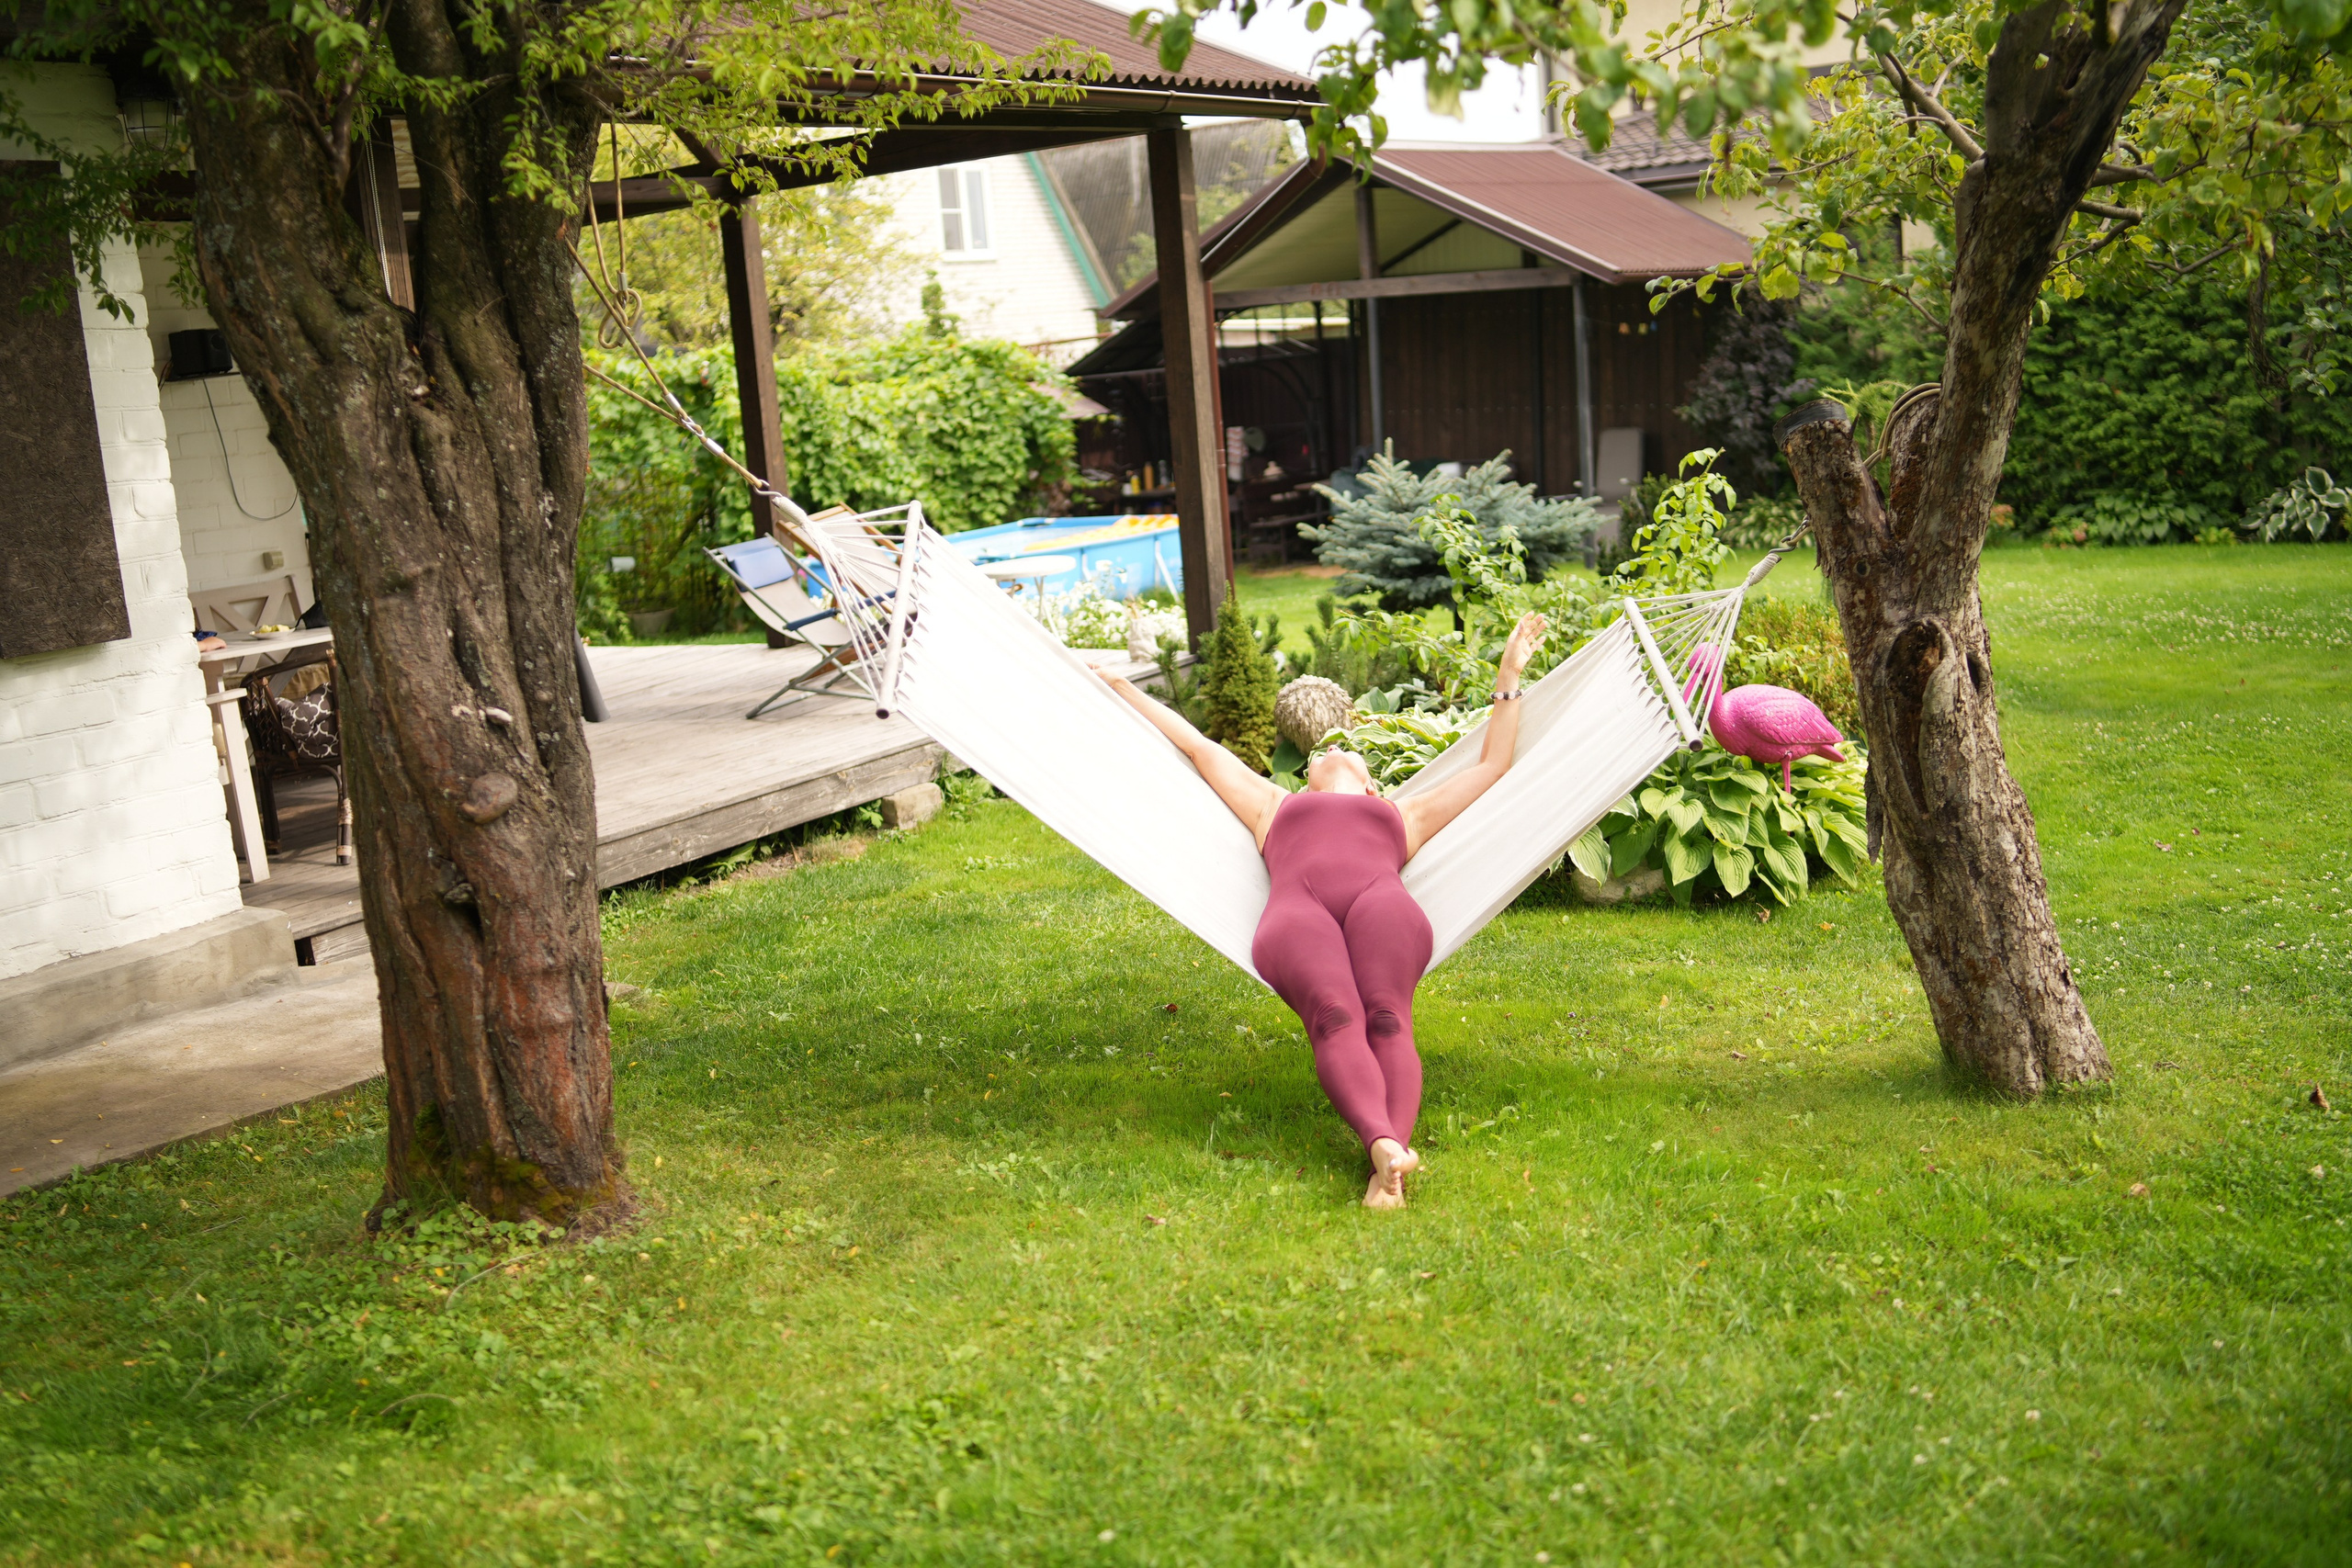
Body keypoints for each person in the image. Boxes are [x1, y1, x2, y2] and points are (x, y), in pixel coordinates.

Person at [1098, 612, 1550, 1209]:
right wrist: (1120, 686)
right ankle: (1383, 1146)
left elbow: (1492, 766)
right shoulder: (1270, 804)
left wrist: (1509, 671)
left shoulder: (1402, 813)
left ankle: (1387, 1156)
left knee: (1388, 1016)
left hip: (1379, 904)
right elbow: (1196, 744)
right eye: (1322, 751)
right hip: (1298, 913)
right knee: (1335, 1017)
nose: (1334, 750)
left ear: (1370, 784)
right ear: (1306, 776)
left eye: (1349, 750)